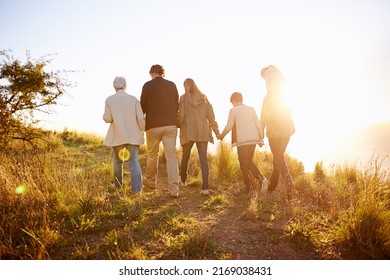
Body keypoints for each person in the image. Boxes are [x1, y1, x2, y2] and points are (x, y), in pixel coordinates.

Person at [140, 64, 180, 197]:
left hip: (153, 126)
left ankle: (151, 181)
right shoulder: (172, 85)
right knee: (171, 157)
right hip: (170, 125)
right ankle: (174, 189)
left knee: (152, 154)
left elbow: (142, 108)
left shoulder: (147, 85)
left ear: (152, 73)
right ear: (163, 73)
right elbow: (176, 105)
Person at [217, 92, 268, 193]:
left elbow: (229, 126)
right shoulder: (251, 109)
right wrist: (261, 138)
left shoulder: (233, 110)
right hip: (253, 139)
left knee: (243, 164)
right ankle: (261, 180)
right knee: (248, 161)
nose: (232, 105)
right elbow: (258, 124)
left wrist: (221, 135)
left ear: (234, 101)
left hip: (243, 141)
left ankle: (249, 186)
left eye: (232, 103)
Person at [103, 76, 145, 194]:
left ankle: (118, 187)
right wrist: (142, 130)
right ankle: (137, 191)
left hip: (118, 136)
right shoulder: (134, 99)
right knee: (134, 162)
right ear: (125, 86)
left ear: (114, 86)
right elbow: (141, 118)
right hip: (133, 136)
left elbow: (107, 118)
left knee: (117, 162)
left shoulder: (109, 100)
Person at [178, 78, 220, 195]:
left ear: (186, 86)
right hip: (203, 132)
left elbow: (181, 116)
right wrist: (217, 132)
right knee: (203, 159)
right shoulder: (204, 98)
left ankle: (182, 181)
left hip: (188, 132)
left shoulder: (183, 98)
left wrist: (175, 125)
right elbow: (211, 118)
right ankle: (205, 188)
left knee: (185, 156)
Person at [260, 65, 295, 200]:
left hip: (275, 133)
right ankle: (272, 186)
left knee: (279, 159)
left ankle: (290, 187)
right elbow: (290, 109)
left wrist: (261, 133)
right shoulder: (284, 94)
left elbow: (263, 117)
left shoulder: (268, 97)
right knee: (278, 159)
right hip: (287, 131)